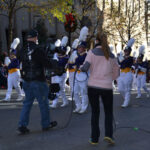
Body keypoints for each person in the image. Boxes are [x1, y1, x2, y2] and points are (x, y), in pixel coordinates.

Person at [80, 32, 119, 145]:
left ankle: (94, 138)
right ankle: (109, 135)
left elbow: (85, 68)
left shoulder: (91, 53)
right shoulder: (112, 55)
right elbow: (117, 72)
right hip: (107, 87)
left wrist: (81, 67)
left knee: (95, 113)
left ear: (96, 41)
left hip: (93, 86)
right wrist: (109, 78)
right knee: (108, 112)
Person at [16, 29, 58, 134]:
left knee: (27, 104)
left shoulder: (22, 49)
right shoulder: (38, 49)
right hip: (38, 80)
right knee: (43, 103)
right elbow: (47, 63)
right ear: (35, 38)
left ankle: (22, 125)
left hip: (26, 81)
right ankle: (46, 124)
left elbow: (19, 59)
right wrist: (55, 64)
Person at [117, 38, 134, 108]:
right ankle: (126, 98)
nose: (125, 52)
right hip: (121, 74)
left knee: (127, 89)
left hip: (128, 74)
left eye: (127, 51)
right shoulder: (123, 57)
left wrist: (120, 57)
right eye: (125, 50)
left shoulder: (130, 58)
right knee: (120, 89)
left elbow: (124, 63)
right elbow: (119, 63)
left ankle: (126, 102)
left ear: (129, 51)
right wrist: (118, 57)